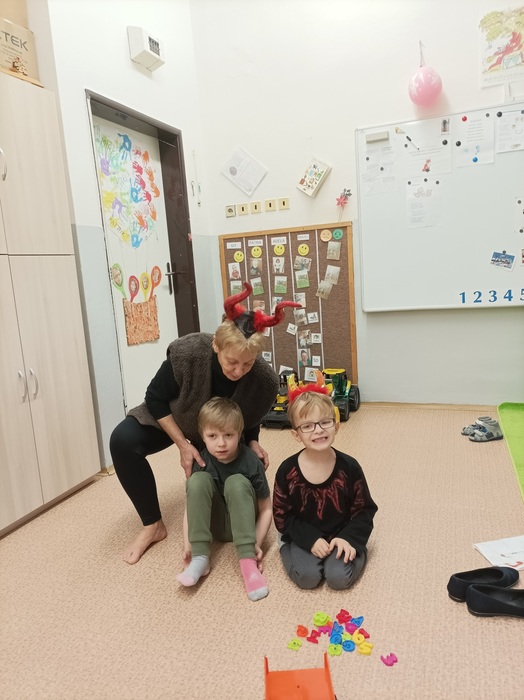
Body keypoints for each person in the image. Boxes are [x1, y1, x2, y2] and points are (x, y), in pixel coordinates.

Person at [110, 281, 299, 564]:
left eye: (247, 364)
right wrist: (182, 444)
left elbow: (249, 416)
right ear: (216, 345)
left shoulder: (264, 380)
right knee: (122, 441)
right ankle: (153, 525)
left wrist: (253, 442)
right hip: (174, 415)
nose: (239, 371)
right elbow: (155, 399)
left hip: (216, 430)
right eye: (232, 361)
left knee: (234, 468)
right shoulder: (188, 352)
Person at [272, 373, 378, 590]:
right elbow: (282, 515)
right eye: (307, 426)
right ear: (296, 435)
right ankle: (286, 547)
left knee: (338, 578)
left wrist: (349, 538)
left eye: (325, 422)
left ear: (336, 426)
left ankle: (358, 549)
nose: (318, 430)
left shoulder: (350, 467)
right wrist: (310, 539)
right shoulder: (287, 471)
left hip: (342, 533)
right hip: (304, 533)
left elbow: (365, 510)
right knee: (308, 578)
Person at [177, 397, 272, 601]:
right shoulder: (202, 461)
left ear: (239, 433)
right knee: (197, 481)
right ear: (202, 436)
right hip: (215, 527)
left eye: (228, 435)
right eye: (212, 436)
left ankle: (247, 563)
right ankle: (200, 559)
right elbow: (190, 507)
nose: (221, 443)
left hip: (245, 526)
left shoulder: (251, 462)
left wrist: (256, 544)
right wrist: (189, 545)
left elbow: (266, 509)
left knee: (236, 482)